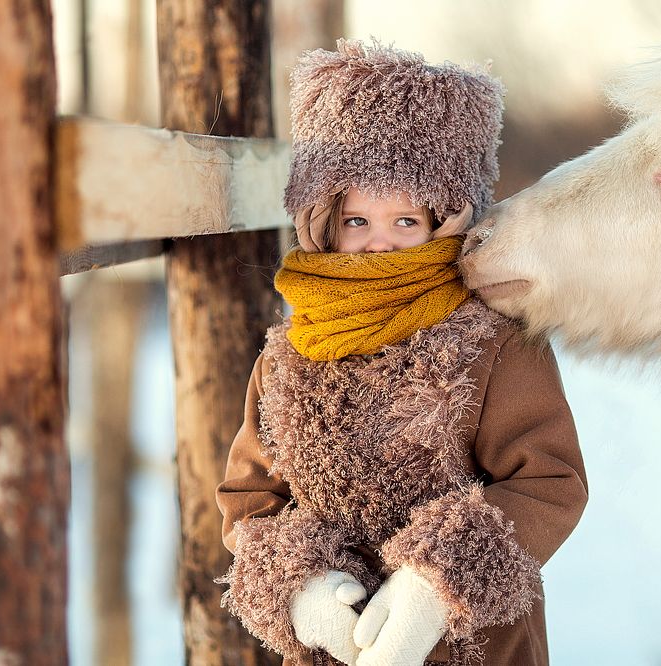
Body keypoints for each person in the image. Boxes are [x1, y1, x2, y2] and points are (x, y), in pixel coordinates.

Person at [215, 40, 588, 666]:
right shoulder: (290, 355)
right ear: (323, 224)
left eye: (406, 222)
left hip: (472, 647)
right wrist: (302, 589)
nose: (379, 243)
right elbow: (251, 499)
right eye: (358, 220)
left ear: (445, 221)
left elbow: (550, 482)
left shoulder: (492, 340)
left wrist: (435, 586)